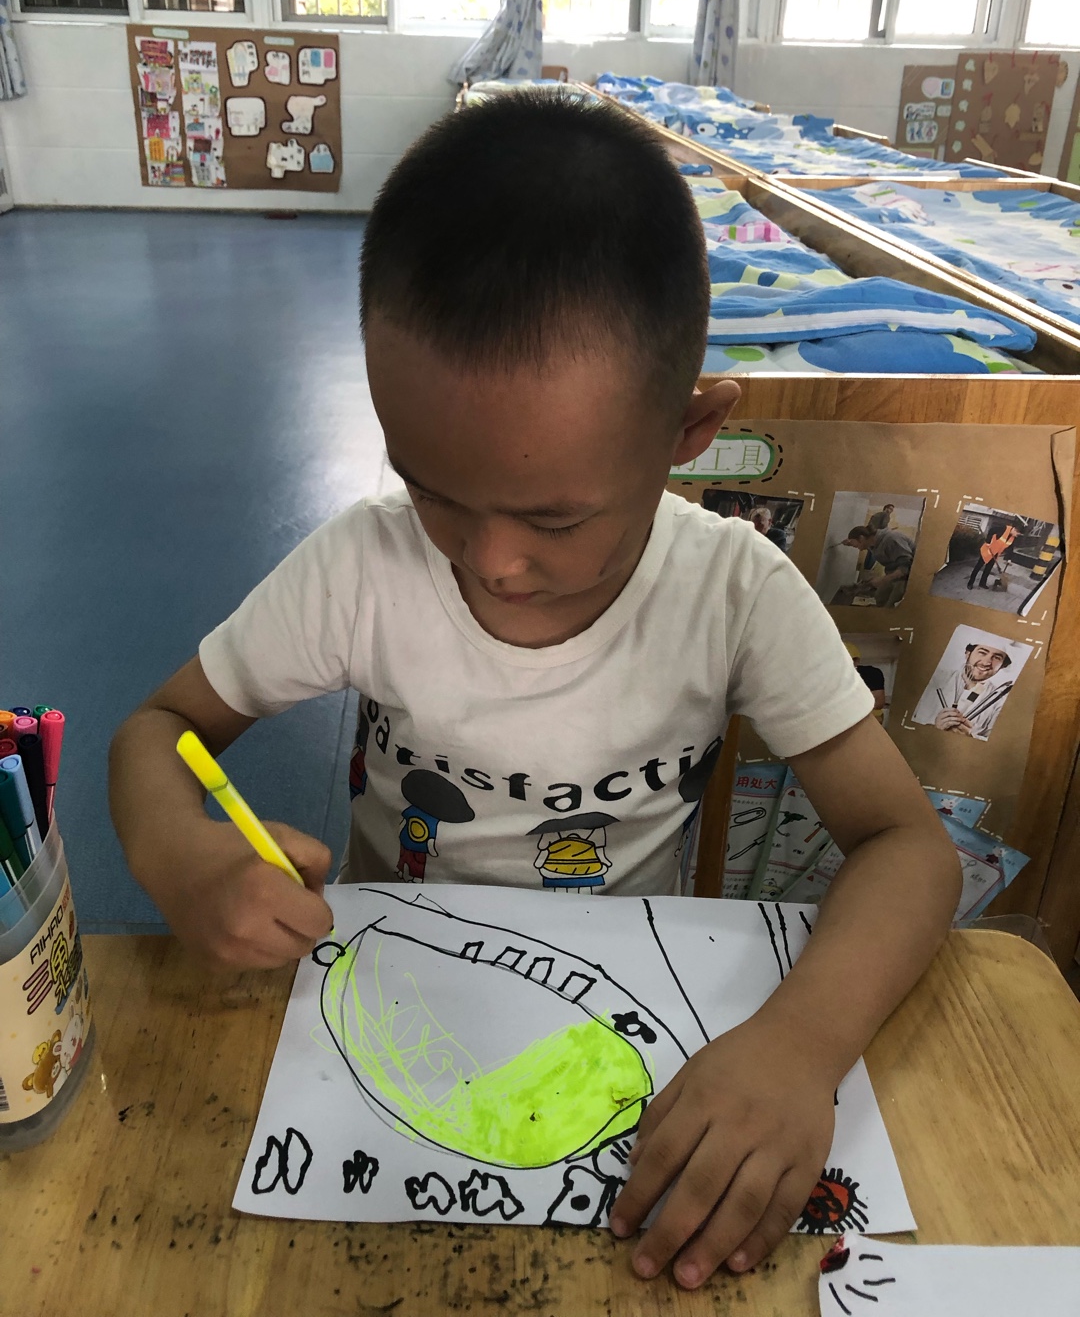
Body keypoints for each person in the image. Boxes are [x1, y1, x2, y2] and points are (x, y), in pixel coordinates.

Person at [109, 92, 960, 1291]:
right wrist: (176, 856)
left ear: (688, 430)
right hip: (389, 1007)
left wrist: (801, 1045)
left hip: (622, 1031)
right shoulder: (365, 566)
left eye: (555, 518)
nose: (491, 560)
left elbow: (910, 850)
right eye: (431, 488)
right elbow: (158, 728)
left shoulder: (735, 592)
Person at [914, 641, 1016, 741]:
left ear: (1003, 665)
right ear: (968, 653)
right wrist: (933, 728)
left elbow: (995, 742)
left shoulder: (1000, 702)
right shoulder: (933, 678)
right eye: (982, 652)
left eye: (997, 658)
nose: (986, 662)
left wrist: (969, 738)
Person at [840, 525, 916, 607]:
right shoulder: (871, 542)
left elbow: (906, 566)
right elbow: (863, 544)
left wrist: (883, 579)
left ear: (861, 538)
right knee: (880, 597)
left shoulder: (891, 540)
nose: (859, 549)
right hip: (895, 572)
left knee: (891, 604)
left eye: (856, 546)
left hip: (909, 576)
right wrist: (850, 543)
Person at [967, 522, 1018, 591]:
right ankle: (970, 583)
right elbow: (991, 530)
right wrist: (988, 542)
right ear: (1014, 529)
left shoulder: (1012, 538)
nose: (1017, 535)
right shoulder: (1003, 528)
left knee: (988, 569)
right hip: (988, 551)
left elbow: (1010, 548)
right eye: (1017, 533)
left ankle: (982, 583)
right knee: (978, 567)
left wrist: (1009, 558)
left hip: (995, 554)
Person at [844, 643, 887, 723]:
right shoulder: (829, 677)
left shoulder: (871, 674)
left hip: (870, 716)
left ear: (856, 661)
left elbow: (878, 703)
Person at [861, 503, 894, 572]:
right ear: (886, 508)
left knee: (869, 553)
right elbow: (883, 525)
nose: (891, 511)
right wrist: (888, 530)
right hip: (877, 537)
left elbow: (869, 525)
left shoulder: (876, 514)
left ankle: (865, 570)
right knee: (875, 554)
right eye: (890, 509)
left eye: (892, 510)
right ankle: (868, 571)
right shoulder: (886, 515)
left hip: (870, 536)